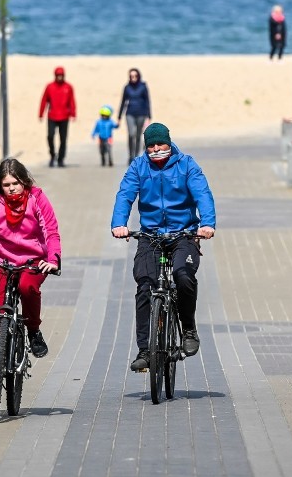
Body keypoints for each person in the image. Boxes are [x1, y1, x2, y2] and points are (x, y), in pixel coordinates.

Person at [110, 123, 216, 372]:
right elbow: (125, 194)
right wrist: (119, 224)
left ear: (169, 142)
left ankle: (188, 328)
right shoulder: (139, 166)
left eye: (160, 144)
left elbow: (203, 194)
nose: (156, 149)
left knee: (183, 275)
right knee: (145, 285)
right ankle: (145, 350)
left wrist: (207, 224)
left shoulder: (186, 164)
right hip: (150, 235)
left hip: (184, 234)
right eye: (151, 145)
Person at [0, 159, 62, 395]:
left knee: (28, 288)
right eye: (6, 184)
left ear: (24, 181)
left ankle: (34, 331)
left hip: (32, 263)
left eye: (15, 183)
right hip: (1, 262)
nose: (12, 188)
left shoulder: (37, 197)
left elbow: (51, 230)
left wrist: (53, 259)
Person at [38, 66, 76, 168]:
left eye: (61, 75)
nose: (60, 77)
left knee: (63, 139)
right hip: (52, 116)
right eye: (58, 75)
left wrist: (73, 113)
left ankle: (61, 159)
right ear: (55, 75)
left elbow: (72, 100)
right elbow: (44, 100)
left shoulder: (68, 87)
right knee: (50, 136)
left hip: (64, 116)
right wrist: (41, 113)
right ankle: (52, 155)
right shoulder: (49, 86)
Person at [117, 68, 151, 165]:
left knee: (138, 135)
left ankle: (136, 156)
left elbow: (147, 101)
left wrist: (149, 116)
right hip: (130, 113)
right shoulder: (127, 87)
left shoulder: (143, 87)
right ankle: (130, 156)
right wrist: (119, 117)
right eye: (131, 76)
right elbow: (123, 102)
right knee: (131, 134)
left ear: (138, 76)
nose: (133, 78)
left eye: (135, 76)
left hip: (141, 113)